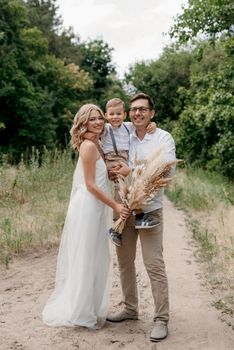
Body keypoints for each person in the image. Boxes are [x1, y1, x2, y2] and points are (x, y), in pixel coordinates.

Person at [42, 104, 130, 330]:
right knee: (86, 258)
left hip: (97, 207)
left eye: (100, 118)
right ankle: (81, 313)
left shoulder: (98, 143)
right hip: (88, 208)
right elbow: (90, 185)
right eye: (92, 119)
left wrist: (113, 173)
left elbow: (98, 176)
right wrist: (116, 206)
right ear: (83, 123)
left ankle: (90, 307)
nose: (99, 122)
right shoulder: (89, 146)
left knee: (96, 257)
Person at [106, 93, 176, 343]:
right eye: (134, 109)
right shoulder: (122, 131)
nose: (137, 113)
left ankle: (161, 318)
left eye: (142, 110)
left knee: (153, 264)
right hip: (124, 210)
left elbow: (165, 167)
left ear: (151, 113)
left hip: (149, 210)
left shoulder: (162, 137)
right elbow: (99, 128)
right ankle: (130, 309)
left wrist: (131, 171)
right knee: (124, 261)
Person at [102, 98, 160, 247]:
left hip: (124, 160)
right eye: (111, 114)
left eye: (118, 113)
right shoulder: (105, 128)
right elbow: (93, 130)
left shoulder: (128, 127)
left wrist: (152, 125)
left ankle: (117, 230)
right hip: (112, 160)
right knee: (123, 189)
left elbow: (145, 126)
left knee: (128, 191)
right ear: (106, 115)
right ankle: (139, 216)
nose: (115, 117)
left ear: (125, 115)